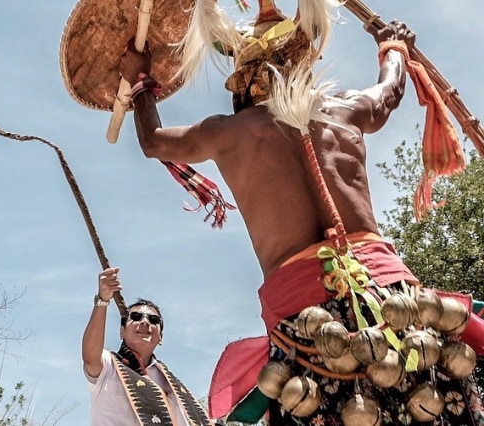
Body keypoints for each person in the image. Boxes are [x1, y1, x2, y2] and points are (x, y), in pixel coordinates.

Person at [119, 0, 484, 424]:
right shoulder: (345, 111)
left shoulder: (226, 133)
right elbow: (388, 95)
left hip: (308, 329)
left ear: (242, 81)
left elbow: (154, 141)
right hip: (398, 307)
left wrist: (140, 80)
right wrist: (394, 49)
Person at [81, 266, 212, 425]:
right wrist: (102, 300)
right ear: (122, 331)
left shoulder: (173, 386)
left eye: (153, 320)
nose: (144, 322)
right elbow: (90, 358)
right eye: (136, 317)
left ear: (161, 337)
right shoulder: (109, 365)